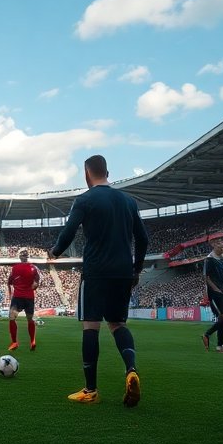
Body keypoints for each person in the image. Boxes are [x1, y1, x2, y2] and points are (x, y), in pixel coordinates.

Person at [48, 155, 148, 407]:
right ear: (107, 171)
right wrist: (136, 270)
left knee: (91, 327)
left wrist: (55, 251)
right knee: (118, 324)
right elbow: (143, 239)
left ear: (86, 173)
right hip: (124, 272)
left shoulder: (85, 199)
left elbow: (69, 231)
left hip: (96, 272)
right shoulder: (128, 200)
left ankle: (90, 390)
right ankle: (131, 369)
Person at [201, 238, 223, 353]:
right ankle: (213, 339)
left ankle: (215, 342)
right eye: (221, 244)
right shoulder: (209, 260)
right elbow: (205, 277)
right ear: (214, 245)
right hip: (215, 292)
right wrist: (216, 289)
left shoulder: (221, 261)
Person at [7, 249, 41, 351]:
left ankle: (14, 342)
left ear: (20, 257)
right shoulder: (34, 268)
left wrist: (10, 294)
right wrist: (34, 286)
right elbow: (36, 283)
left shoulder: (15, 268)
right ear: (28, 256)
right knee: (30, 319)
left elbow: (9, 282)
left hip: (18, 297)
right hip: (29, 297)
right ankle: (32, 341)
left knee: (12, 318)